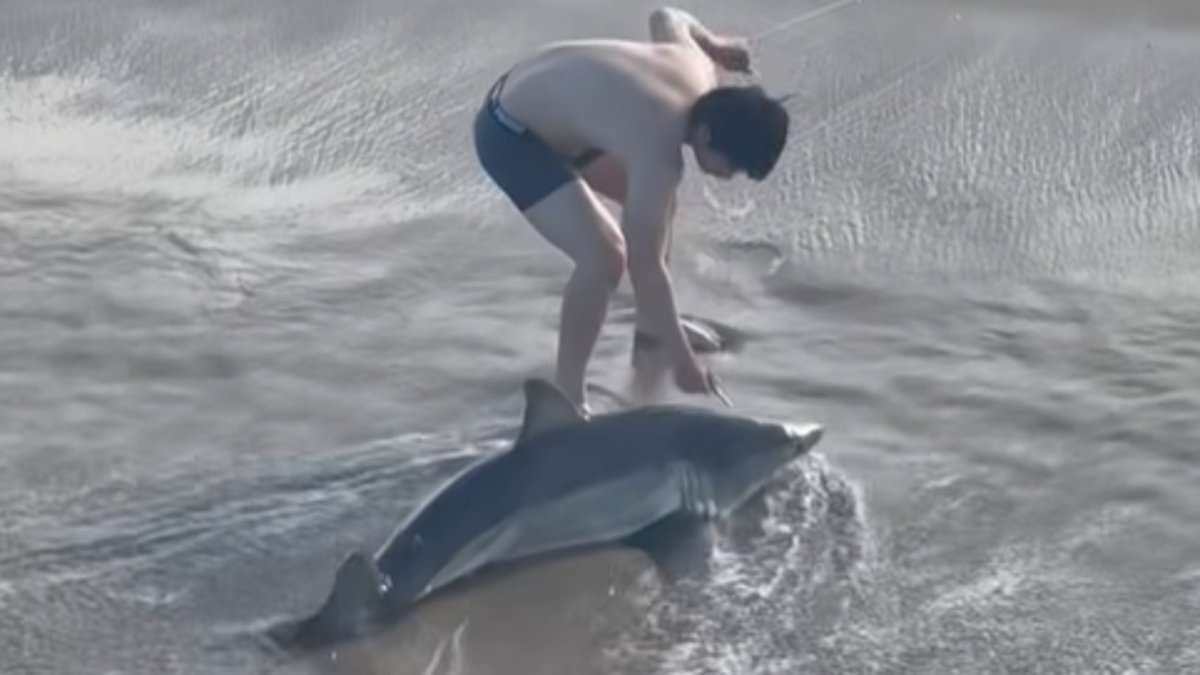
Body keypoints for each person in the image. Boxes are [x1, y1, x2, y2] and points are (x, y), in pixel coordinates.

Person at [472, 6, 790, 413]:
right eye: (735, 165)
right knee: (605, 257)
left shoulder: (699, 69)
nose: (733, 176)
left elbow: (667, 16)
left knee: (657, 212)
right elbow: (645, 265)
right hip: (510, 133)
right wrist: (682, 363)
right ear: (707, 134)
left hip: (554, 105)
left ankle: (652, 333)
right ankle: (568, 399)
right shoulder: (659, 151)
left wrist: (714, 44)